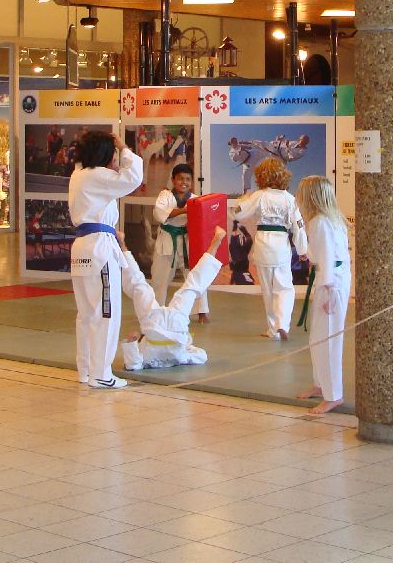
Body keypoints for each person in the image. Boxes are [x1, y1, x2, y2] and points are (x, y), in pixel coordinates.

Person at [68, 130, 144, 390]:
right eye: (111, 154)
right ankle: (101, 373)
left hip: (82, 248)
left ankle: (87, 370)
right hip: (99, 249)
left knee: (86, 314)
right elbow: (133, 177)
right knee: (105, 312)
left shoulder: (78, 175)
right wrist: (124, 148)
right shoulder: (96, 176)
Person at [118, 226, 224, 371]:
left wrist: (187, 344)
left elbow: (202, 356)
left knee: (191, 287)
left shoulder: (181, 358)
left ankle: (215, 243)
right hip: (153, 326)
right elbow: (132, 364)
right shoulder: (146, 361)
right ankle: (122, 245)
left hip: (177, 328)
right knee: (139, 286)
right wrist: (132, 341)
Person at [294, 176, 352, 415]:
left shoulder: (321, 222)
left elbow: (328, 257)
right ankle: (321, 384)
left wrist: (329, 291)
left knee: (328, 338)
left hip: (331, 282)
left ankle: (333, 395)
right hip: (332, 279)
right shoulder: (331, 219)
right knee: (318, 336)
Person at [233, 157, 308, 340]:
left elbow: (238, 214)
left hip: (263, 245)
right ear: (284, 175)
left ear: (260, 176)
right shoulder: (290, 199)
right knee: (284, 288)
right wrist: (302, 250)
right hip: (281, 245)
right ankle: (283, 324)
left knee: (268, 290)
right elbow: (298, 227)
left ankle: (273, 329)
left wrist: (243, 200)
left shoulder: (259, 196)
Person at [152, 163, 209, 321]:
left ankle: (202, 311)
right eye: (180, 179)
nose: (184, 182)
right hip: (167, 239)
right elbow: (160, 214)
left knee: (196, 275)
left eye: (188, 179)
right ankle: (157, 310)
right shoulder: (165, 195)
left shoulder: (196, 199)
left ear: (192, 181)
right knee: (160, 277)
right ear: (173, 180)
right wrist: (184, 210)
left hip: (188, 239)